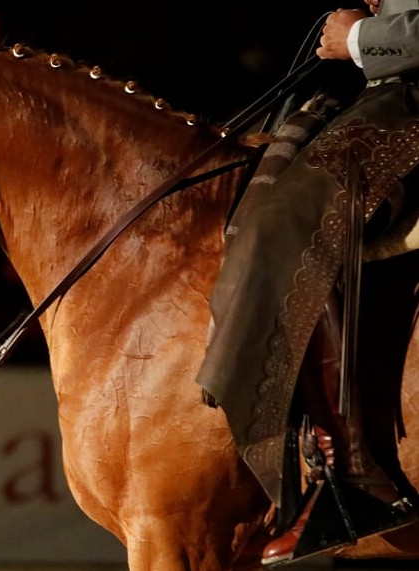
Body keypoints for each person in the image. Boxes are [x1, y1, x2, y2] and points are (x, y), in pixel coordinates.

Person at [195, 0, 419, 567]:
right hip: (382, 93)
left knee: (285, 220)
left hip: (409, 100)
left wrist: (362, 36)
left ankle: (353, 474)